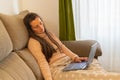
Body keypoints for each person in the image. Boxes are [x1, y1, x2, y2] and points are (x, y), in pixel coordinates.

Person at [23, 12, 120, 80]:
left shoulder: (50, 34)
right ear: (30, 29)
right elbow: (42, 62)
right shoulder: (33, 42)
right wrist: (49, 79)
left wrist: (75, 57)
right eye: (36, 26)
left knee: (92, 64)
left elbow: (63, 47)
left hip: (69, 63)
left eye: (41, 23)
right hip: (57, 69)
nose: (41, 27)